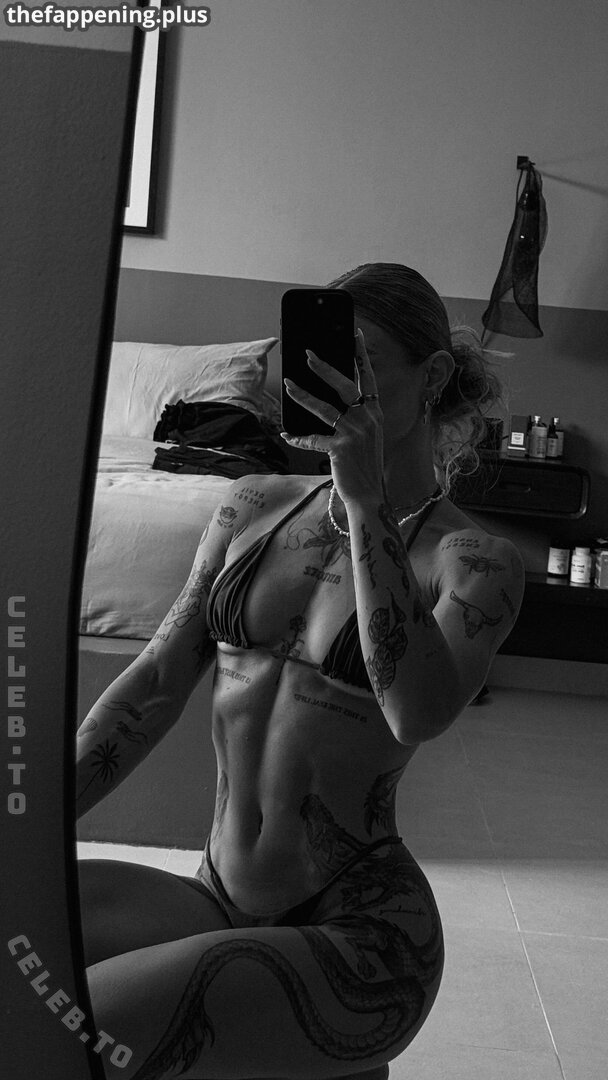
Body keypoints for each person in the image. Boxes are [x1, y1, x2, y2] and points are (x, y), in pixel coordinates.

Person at [77, 263, 524, 1080]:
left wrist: (365, 502)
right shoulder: (251, 506)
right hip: (217, 895)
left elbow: (416, 713)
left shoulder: (474, 563)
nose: (331, 385)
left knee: (78, 1032)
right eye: (318, 360)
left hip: (360, 934)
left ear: (431, 379)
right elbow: (154, 684)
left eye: (360, 362)